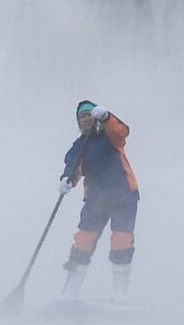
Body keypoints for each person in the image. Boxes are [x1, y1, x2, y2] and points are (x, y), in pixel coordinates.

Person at [57, 100, 139, 300]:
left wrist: (107, 117)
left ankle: (120, 293)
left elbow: (122, 132)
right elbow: (73, 167)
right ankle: (71, 290)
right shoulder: (79, 146)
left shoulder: (110, 137)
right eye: (81, 118)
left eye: (88, 116)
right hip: (95, 200)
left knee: (121, 241)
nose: (85, 120)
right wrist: (67, 180)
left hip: (123, 196)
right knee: (83, 241)